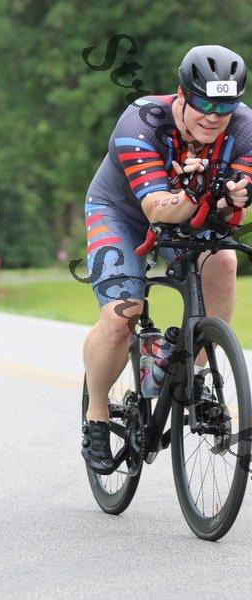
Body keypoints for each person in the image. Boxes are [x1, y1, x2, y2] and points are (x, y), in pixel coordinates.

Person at [81, 45, 252, 474]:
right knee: (122, 317)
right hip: (122, 213)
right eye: (204, 104)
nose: (214, 116)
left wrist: (235, 196)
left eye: (225, 106)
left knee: (223, 262)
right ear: (181, 95)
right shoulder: (141, 123)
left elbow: (233, 203)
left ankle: (195, 375)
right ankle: (97, 416)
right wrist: (193, 189)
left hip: (191, 214)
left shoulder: (246, 128)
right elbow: (157, 210)